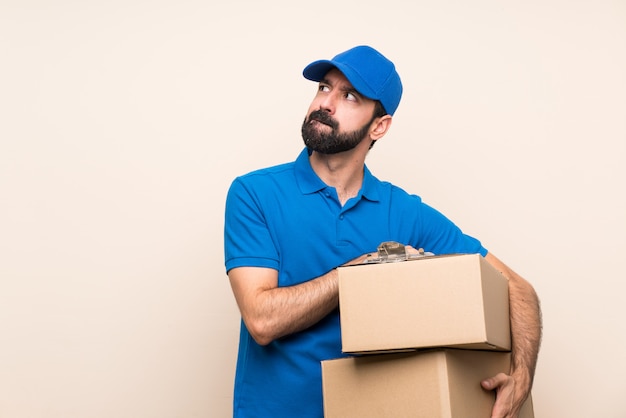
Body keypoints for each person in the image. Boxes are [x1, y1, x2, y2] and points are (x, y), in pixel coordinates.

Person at [224, 45, 542, 418]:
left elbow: (518, 291)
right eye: (324, 88)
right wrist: (357, 274)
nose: (326, 103)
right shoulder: (255, 193)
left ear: (379, 125)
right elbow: (262, 320)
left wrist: (522, 377)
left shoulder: (405, 213)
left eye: (349, 96)